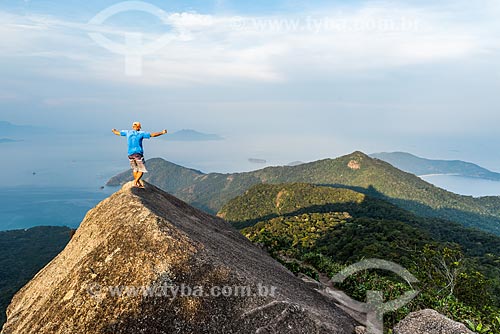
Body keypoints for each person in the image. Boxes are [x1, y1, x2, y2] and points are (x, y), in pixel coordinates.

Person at [112, 122, 167, 188]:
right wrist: (162, 132)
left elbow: (118, 133)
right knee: (141, 170)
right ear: (138, 127)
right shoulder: (141, 133)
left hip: (130, 154)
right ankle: (136, 182)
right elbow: (153, 135)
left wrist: (114, 131)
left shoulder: (128, 132)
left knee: (135, 169)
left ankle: (137, 182)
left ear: (133, 127)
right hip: (138, 154)